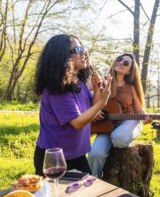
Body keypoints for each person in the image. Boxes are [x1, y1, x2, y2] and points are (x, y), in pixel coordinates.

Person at [34, 34, 112, 176]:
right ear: (62, 56)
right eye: (77, 49)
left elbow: (91, 108)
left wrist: (97, 89)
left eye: (82, 48)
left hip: (76, 154)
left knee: (86, 195)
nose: (83, 53)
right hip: (54, 157)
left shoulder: (78, 83)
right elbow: (77, 122)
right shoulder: (56, 88)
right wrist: (102, 102)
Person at [88, 53, 152, 179]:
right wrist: (92, 110)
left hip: (129, 122)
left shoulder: (131, 88)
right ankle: (94, 183)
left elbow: (139, 110)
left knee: (119, 139)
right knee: (95, 154)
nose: (121, 62)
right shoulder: (103, 81)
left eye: (126, 63)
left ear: (129, 71)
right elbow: (82, 92)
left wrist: (145, 116)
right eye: (119, 59)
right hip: (106, 126)